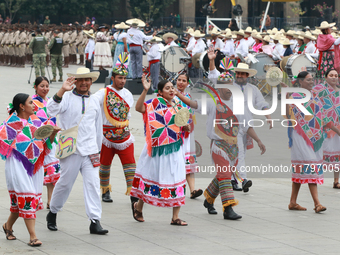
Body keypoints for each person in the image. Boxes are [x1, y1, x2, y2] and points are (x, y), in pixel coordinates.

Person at [176, 49, 266, 219]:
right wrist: (178, 94)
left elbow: (246, 125)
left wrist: (259, 141)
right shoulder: (212, 102)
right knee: (225, 174)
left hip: (234, 147)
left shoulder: (238, 104)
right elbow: (193, 103)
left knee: (221, 176)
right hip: (218, 145)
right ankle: (228, 208)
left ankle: (209, 199)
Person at [45, 68, 108, 235]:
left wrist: (98, 149)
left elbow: (98, 126)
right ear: (75, 81)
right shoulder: (66, 97)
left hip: (90, 150)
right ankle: (53, 212)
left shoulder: (95, 100)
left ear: (91, 81)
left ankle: (95, 221)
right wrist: (61, 91)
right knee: (65, 183)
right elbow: (50, 110)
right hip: (70, 149)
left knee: (93, 184)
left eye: (87, 80)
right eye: (81, 80)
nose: (84, 83)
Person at [1, 93, 59, 246]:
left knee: (19, 204)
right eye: (30, 103)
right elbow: (4, 141)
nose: (34, 105)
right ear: (21, 106)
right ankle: (33, 237)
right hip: (17, 165)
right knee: (28, 197)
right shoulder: (11, 122)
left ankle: (8, 226)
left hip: (33, 165)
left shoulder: (36, 121)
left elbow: (45, 143)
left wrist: (52, 134)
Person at [130, 77, 189, 226]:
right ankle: (139, 207)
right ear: (161, 92)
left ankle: (175, 217)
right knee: (150, 176)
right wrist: (145, 90)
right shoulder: (154, 103)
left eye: (172, 87)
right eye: (167, 88)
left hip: (174, 147)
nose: (171, 90)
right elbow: (138, 108)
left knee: (178, 177)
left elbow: (183, 124)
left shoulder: (178, 105)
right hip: (156, 149)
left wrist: (186, 126)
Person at [285, 71, 340, 213]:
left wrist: (337, 131)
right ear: (300, 82)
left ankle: (292, 202)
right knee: (310, 167)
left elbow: (323, 118)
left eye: (312, 80)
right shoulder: (295, 96)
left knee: (302, 169)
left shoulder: (315, 96)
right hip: (300, 137)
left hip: (315, 137)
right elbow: (288, 116)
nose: (311, 82)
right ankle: (317, 203)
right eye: (308, 80)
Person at [93, 54, 137, 203]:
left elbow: (127, 116)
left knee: (130, 165)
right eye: (120, 78)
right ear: (113, 78)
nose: (123, 81)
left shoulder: (128, 94)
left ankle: (133, 193)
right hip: (107, 136)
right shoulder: (103, 93)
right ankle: (105, 190)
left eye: (124, 78)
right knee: (104, 165)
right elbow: (92, 105)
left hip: (124, 135)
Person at [32, 77, 60, 209]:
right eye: (42, 86)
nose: (45, 89)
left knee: (52, 168)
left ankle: (50, 200)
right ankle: (36, 199)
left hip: (52, 138)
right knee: (37, 170)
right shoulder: (32, 102)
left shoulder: (50, 101)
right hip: (39, 139)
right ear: (35, 87)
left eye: (47, 86)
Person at [175, 73, 202, 199]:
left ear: (187, 83)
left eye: (183, 80)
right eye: (179, 80)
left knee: (189, 163)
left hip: (188, 135)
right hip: (175, 135)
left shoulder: (188, 96)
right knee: (176, 162)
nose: (180, 82)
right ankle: (175, 189)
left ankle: (192, 190)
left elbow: (194, 107)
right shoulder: (169, 95)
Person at [313, 69, 340, 189]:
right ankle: (315, 179)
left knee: (338, 154)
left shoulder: (339, 91)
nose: (334, 78)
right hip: (324, 127)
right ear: (326, 77)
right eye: (331, 75)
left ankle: (336, 181)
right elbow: (314, 104)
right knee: (320, 153)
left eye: (336, 75)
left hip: (338, 125)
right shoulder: (320, 90)